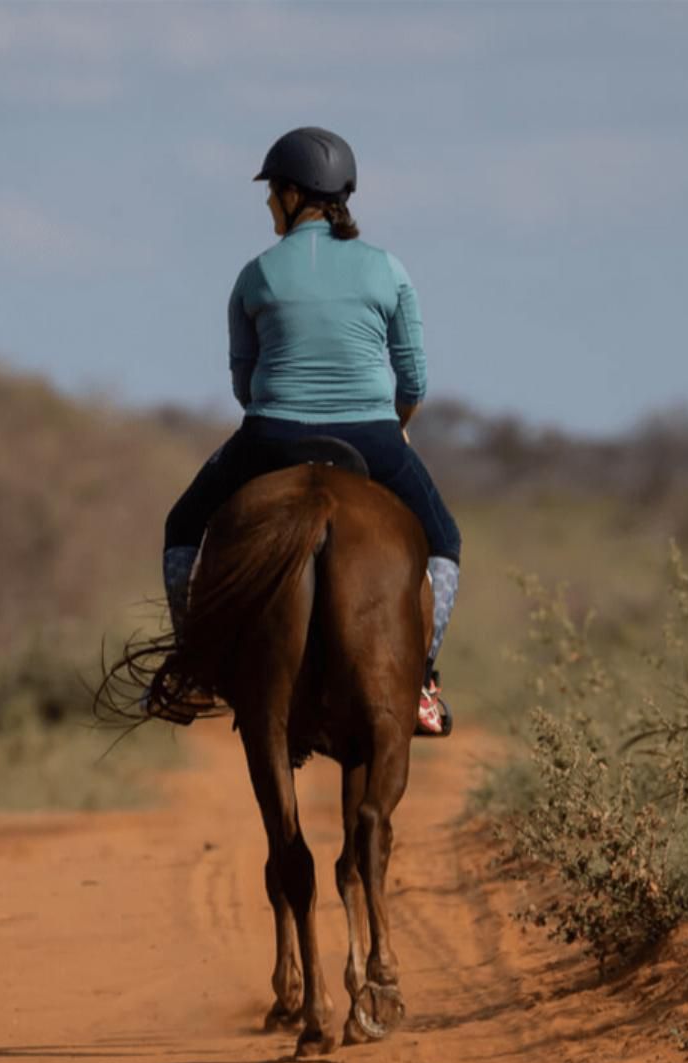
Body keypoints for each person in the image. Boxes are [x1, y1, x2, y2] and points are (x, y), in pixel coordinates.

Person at [158, 126, 461, 735]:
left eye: (272, 192)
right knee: (445, 542)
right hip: (373, 437)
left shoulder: (256, 275)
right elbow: (415, 381)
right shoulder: (388, 269)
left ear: (294, 195)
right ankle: (424, 682)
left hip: (270, 435)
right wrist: (392, 431)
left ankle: (190, 669)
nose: (269, 204)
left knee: (182, 525)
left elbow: (244, 385)